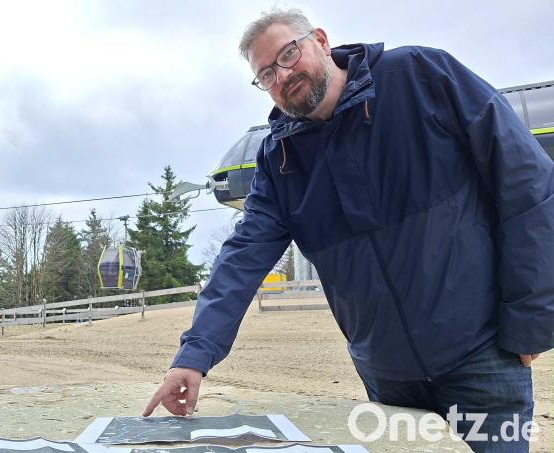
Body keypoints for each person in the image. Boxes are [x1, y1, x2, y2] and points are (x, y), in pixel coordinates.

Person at [142, 8, 554, 453]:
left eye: (287, 54)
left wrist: (530, 322)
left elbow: (528, 187)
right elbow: (241, 258)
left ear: (320, 39)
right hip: (387, 377)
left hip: (482, 361)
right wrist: (194, 356)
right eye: (266, 74)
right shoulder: (280, 160)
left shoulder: (421, 76)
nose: (282, 75)